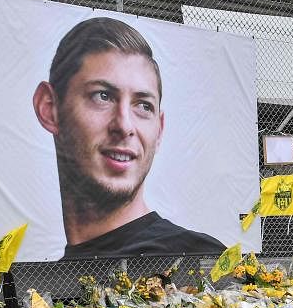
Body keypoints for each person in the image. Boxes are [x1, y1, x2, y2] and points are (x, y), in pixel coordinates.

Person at [32, 16, 224, 259]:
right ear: (49, 108)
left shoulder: (198, 259)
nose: (124, 126)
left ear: (159, 130)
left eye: (143, 106)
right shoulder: (52, 277)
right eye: (102, 96)